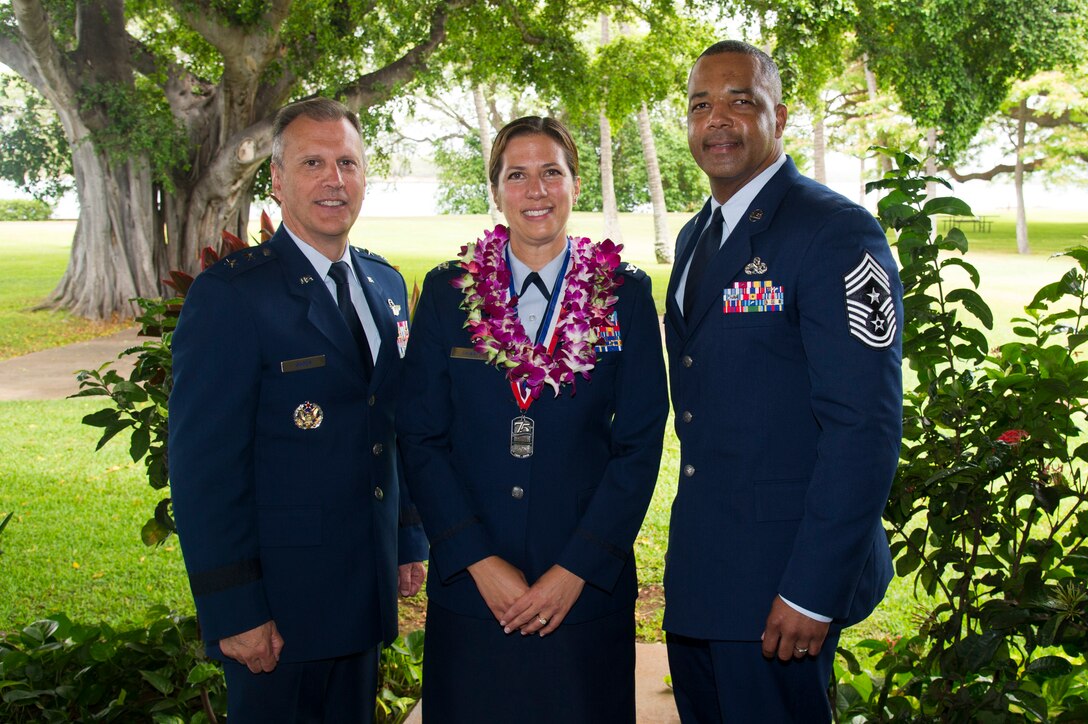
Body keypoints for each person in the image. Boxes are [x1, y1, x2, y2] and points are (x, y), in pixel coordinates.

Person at [396, 116, 668, 723]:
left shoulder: (623, 294)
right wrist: (475, 559)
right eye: (517, 175)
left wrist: (577, 568)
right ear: (496, 191)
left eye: (552, 172)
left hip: (582, 591)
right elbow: (420, 436)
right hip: (473, 591)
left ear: (575, 184)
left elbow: (641, 440)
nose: (536, 190)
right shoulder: (448, 291)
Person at [662, 41, 903, 722]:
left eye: (741, 100)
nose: (718, 119)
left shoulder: (833, 233)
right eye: (700, 104)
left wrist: (812, 591)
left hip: (782, 588)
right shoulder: (694, 238)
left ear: (780, 115)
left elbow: (866, 426)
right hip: (705, 579)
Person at [169, 97, 427, 723]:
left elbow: (393, 424)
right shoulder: (231, 295)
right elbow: (204, 470)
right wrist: (237, 609)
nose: (334, 180)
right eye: (313, 162)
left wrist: (407, 536)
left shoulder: (384, 284)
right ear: (278, 181)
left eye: (348, 163)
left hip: (362, 592)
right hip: (279, 612)